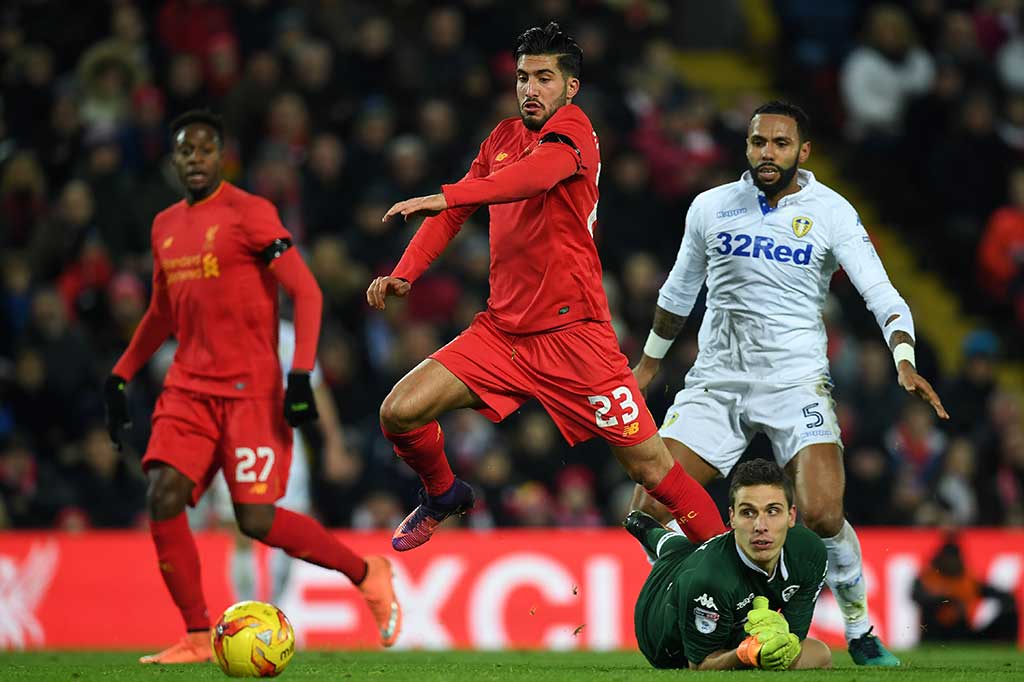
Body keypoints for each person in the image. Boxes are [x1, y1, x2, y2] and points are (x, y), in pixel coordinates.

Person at [366, 23, 726, 552]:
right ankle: (444, 494)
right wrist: (405, 272)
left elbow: (531, 180)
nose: (530, 89)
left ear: (569, 87)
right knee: (398, 412)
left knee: (653, 469)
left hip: (575, 337)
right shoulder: (502, 139)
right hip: (503, 334)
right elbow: (463, 210)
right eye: (522, 78)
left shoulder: (574, 133)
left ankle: (742, 578)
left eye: (543, 78)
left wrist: (444, 195)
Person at [629, 100, 949, 666]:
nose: (766, 154)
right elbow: (678, 292)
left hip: (796, 382)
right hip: (716, 382)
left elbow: (881, 293)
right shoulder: (711, 206)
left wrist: (903, 356)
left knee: (823, 514)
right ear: (746, 148)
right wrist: (650, 363)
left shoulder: (831, 212)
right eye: (758, 143)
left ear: (803, 151)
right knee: (648, 509)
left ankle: (860, 628)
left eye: (779, 144)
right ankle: (704, 618)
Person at [103, 110, 400, 664]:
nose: (195, 160)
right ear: (174, 160)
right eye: (185, 151)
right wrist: (120, 373)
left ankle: (366, 572)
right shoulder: (165, 225)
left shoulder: (250, 213)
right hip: (188, 388)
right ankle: (196, 635)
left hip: (250, 392)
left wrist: (300, 376)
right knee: (162, 495)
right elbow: (160, 313)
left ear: (223, 155)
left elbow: (307, 294)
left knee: (256, 520)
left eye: (205, 150)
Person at [189, 318, 353, 604]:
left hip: (283, 440)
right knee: (241, 530)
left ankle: (276, 609)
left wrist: (333, 443)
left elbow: (316, 390)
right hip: (236, 440)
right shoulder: (219, 335)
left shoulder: (289, 336)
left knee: (290, 529)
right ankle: (246, 611)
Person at [628, 459, 832, 671]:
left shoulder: (809, 553)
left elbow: (793, 639)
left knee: (821, 654)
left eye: (772, 511)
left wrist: (775, 643)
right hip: (662, 634)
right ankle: (646, 528)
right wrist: (747, 653)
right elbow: (700, 665)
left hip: (725, 606)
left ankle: (651, 531)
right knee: (677, 553)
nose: (760, 526)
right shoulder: (708, 580)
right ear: (732, 518)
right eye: (748, 512)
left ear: (791, 516)